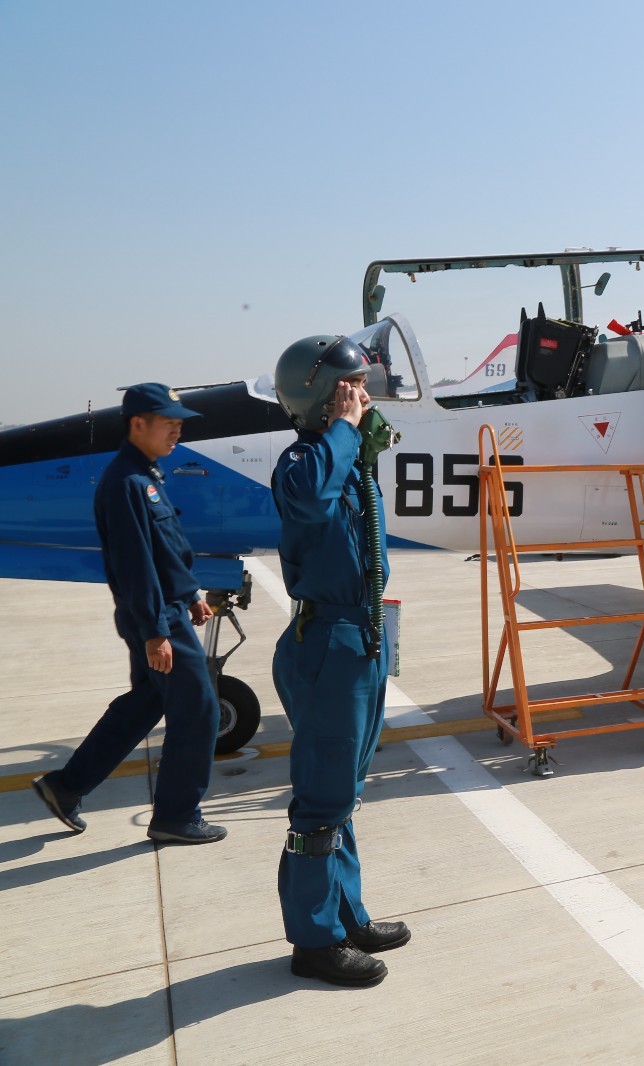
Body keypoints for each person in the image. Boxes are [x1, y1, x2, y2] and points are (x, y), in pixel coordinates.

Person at [270, 335, 408, 988]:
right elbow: (310, 501)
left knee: (343, 797)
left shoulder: (345, 460)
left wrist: (358, 433)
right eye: (349, 388)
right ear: (319, 398)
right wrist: (346, 429)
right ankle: (314, 940)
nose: (362, 396)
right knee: (321, 804)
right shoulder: (303, 464)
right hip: (329, 648)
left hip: (362, 642)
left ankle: (347, 914)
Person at [31, 384, 226, 845]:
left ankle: (66, 786)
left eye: (180, 421)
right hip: (158, 618)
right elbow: (134, 566)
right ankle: (176, 816)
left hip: (166, 608)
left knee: (147, 703)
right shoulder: (125, 484)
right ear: (137, 423)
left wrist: (190, 591)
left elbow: (163, 550)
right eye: (167, 421)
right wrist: (157, 631)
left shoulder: (147, 475)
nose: (177, 428)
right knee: (199, 711)